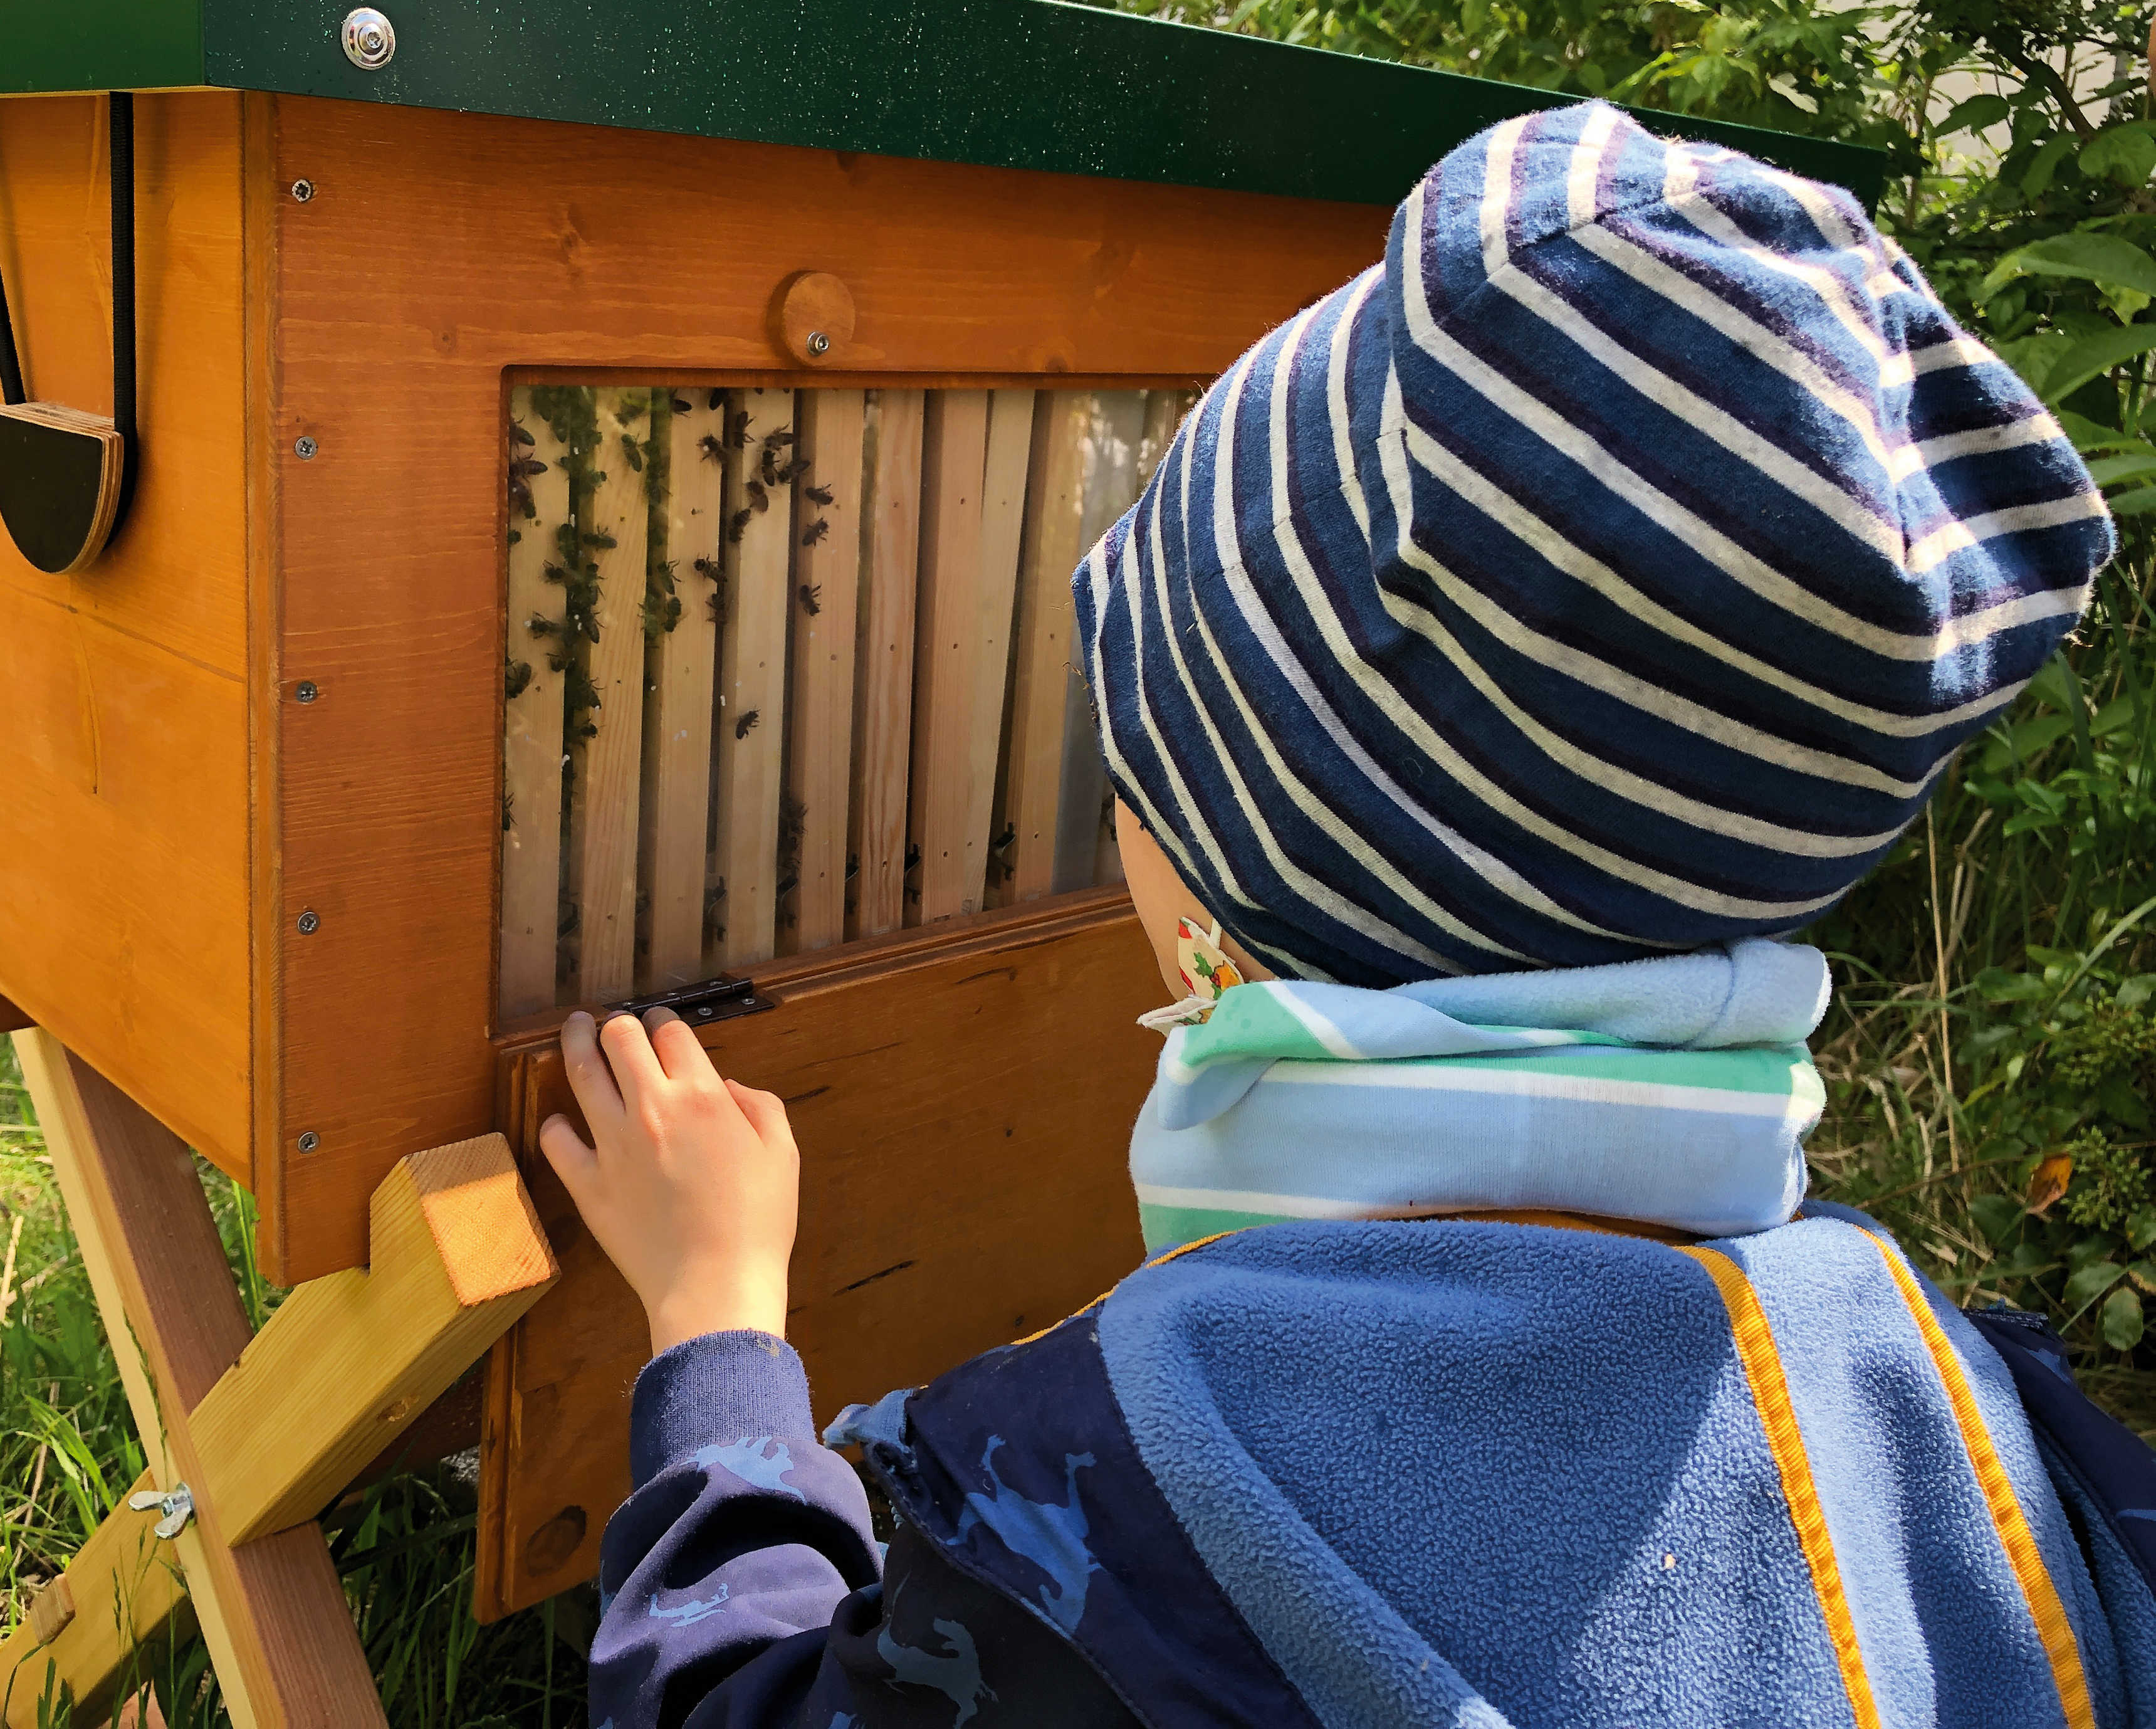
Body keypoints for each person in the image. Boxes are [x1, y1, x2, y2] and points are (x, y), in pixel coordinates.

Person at [539, 101, 2154, 1728]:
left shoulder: (1118, 1517)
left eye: (1134, 765)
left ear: (1228, 927)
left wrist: (716, 1322)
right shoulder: (1967, 1421)